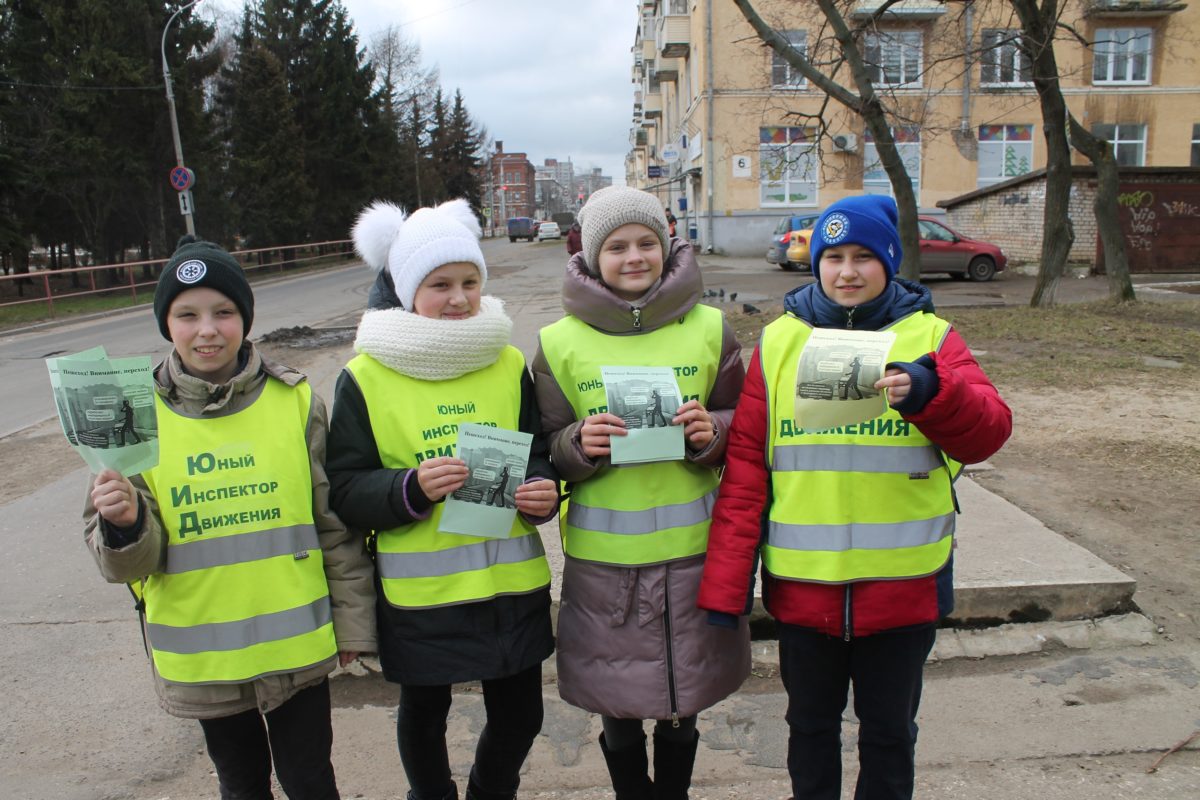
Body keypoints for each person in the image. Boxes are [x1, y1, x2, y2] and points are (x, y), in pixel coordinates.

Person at [698, 195, 1012, 800]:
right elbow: (745, 474)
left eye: (864, 256)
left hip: (903, 586)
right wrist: (727, 588)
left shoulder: (932, 339)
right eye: (833, 256)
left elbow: (989, 433)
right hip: (803, 588)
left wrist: (930, 390)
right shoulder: (779, 343)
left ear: (890, 261)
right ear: (814, 264)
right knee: (809, 729)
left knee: (890, 734)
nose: (847, 271)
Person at [84, 235, 376, 800]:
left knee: (312, 780)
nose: (208, 329)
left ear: (245, 318)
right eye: (186, 314)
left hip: (297, 650)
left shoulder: (294, 400)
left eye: (223, 312)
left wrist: (354, 623)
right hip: (204, 659)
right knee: (241, 784)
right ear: (166, 324)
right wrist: (123, 524)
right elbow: (124, 566)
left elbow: (332, 523)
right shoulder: (129, 413)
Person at [326, 199, 560, 800]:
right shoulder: (367, 374)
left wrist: (541, 491)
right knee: (425, 718)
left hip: (509, 585)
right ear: (407, 290)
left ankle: (489, 791)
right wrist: (409, 488)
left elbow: (535, 452)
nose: (458, 298)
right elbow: (346, 488)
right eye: (439, 285)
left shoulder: (507, 362)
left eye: (469, 282)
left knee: (521, 718)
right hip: (422, 592)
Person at [532, 186, 750, 800]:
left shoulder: (710, 328)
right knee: (618, 706)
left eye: (647, 243)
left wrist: (713, 432)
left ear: (667, 246)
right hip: (607, 564)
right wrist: (579, 442)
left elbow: (743, 422)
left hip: (693, 555)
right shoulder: (559, 343)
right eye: (618, 246)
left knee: (686, 703)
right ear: (591, 255)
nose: (634, 257)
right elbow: (544, 446)